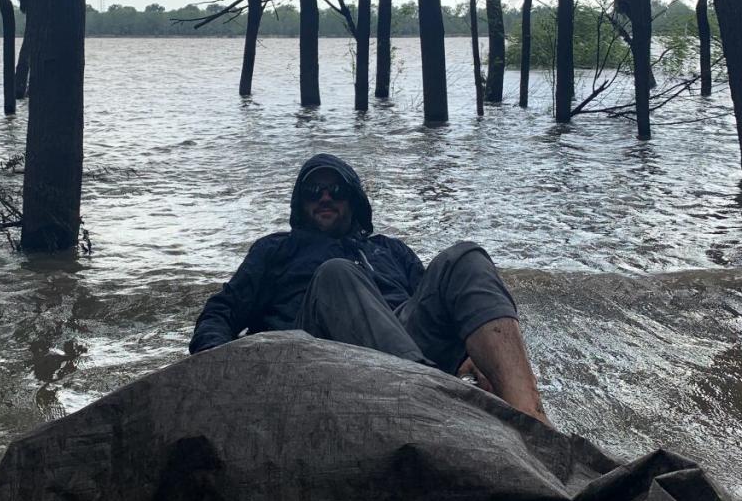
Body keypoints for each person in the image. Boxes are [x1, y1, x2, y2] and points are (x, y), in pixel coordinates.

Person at [189, 154, 550, 424]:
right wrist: (227, 369)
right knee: (337, 275)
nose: (325, 197)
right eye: (314, 191)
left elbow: (438, 311)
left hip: (404, 346)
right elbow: (221, 312)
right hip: (319, 353)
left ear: (355, 200)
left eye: (337, 190)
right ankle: (436, 399)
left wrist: (467, 354)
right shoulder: (276, 249)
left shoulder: (391, 249)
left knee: (464, 257)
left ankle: (532, 421)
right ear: (301, 203)